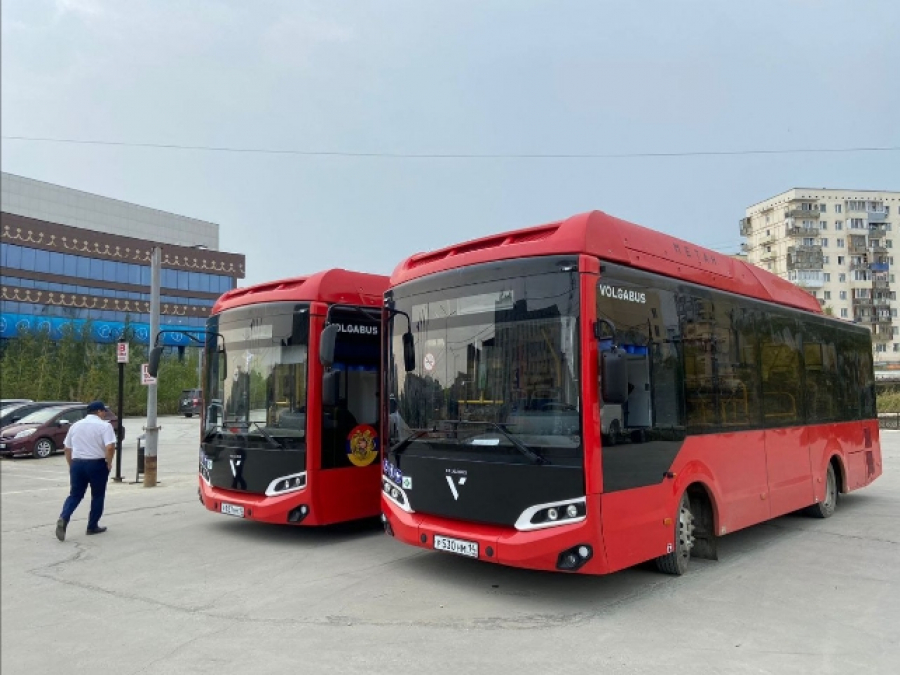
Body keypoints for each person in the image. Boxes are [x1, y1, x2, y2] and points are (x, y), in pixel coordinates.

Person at [55, 401, 117, 541]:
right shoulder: (105, 426)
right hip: (97, 464)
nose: (104, 414)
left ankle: (64, 517)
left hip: (77, 464)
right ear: (99, 411)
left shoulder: (75, 425)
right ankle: (92, 526)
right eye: (104, 411)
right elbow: (110, 447)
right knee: (98, 495)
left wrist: (71, 465)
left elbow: (67, 448)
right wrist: (109, 462)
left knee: (75, 495)